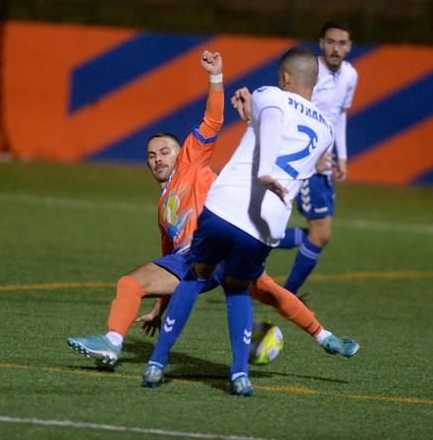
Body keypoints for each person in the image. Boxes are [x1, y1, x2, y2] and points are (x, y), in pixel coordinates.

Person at [67, 50, 358, 374]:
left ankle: (113, 343)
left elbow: (213, 119)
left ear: (182, 152)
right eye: (152, 156)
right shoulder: (164, 208)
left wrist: (216, 77)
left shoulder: (191, 160)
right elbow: (169, 255)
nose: (158, 159)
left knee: (264, 291)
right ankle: (322, 337)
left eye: (165, 151)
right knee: (264, 290)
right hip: (209, 252)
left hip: (214, 241)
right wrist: (159, 309)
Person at [142, 46, 336, 396]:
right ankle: (239, 375)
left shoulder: (269, 95)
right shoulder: (327, 132)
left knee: (194, 276)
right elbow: (286, 150)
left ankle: (156, 363)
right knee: (238, 289)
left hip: (225, 207)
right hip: (265, 223)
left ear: (285, 78)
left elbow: (269, 125)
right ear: (317, 81)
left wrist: (249, 110)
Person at [276, 21, 358, 295]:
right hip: (307, 160)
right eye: (331, 42)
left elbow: (340, 115)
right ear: (321, 43)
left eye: (342, 43)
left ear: (350, 46)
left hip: (326, 161)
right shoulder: (310, 71)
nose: (336, 48)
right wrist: (315, 152)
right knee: (321, 234)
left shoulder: (350, 75)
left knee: (320, 234)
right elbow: (294, 111)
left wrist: (341, 156)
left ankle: (286, 290)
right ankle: (288, 295)